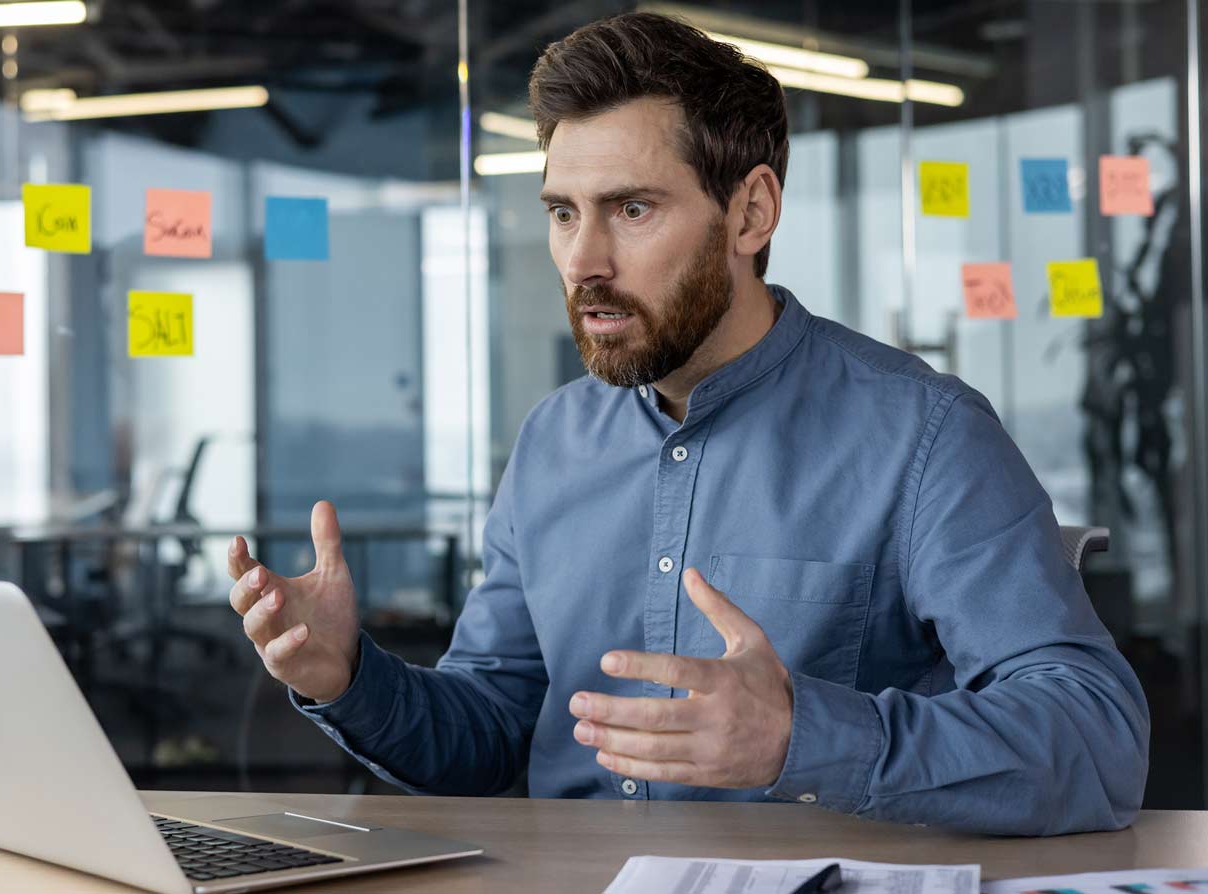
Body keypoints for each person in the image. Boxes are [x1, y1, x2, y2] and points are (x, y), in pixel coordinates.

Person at [224, 11, 1149, 835]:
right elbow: (494, 731)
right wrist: (346, 675)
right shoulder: (554, 442)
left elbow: (1096, 738)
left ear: (750, 211)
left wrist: (802, 736)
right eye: (561, 212)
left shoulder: (923, 434)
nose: (583, 260)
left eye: (632, 209)